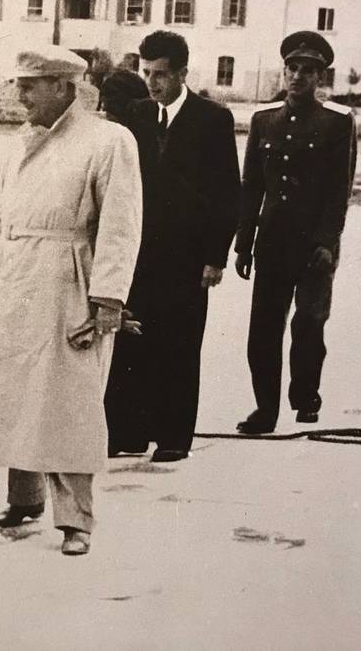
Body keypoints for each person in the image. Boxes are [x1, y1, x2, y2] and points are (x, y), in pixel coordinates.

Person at [0, 46, 142, 557]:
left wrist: (107, 299)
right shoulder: (21, 142)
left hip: (67, 281)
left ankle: (77, 520)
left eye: (30, 85)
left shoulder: (108, 141)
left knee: (68, 401)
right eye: (20, 84)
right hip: (12, 278)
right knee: (18, 393)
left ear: (64, 87)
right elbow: (0, 220)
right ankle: (25, 501)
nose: (20, 96)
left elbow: (121, 226)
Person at [105, 31, 240, 462]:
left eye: (160, 74)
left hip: (187, 258)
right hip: (139, 254)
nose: (152, 82)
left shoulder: (213, 119)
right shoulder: (136, 116)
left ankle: (173, 438)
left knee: (180, 344)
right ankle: (127, 433)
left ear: (182, 73)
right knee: (131, 340)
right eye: (146, 73)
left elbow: (227, 195)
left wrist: (215, 258)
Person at [233, 31, 356, 434]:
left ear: (321, 77)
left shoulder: (336, 123)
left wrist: (326, 242)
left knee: (307, 323)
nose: (298, 76)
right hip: (272, 242)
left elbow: (340, 190)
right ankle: (264, 409)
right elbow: (251, 187)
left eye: (309, 70)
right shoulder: (263, 120)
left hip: (313, 245)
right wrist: (243, 244)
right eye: (293, 68)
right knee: (263, 329)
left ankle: (305, 396)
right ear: (284, 71)